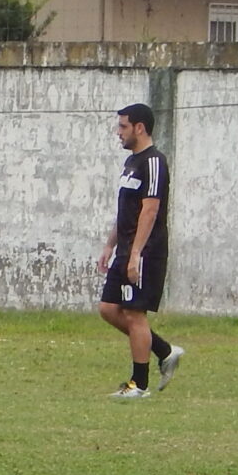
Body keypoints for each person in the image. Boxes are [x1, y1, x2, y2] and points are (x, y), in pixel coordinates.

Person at [99, 102, 183, 399]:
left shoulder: (154, 162)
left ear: (139, 128)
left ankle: (139, 384)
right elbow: (127, 211)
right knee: (108, 309)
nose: (118, 132)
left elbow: (150, 210)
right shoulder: (131, 163)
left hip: (146, 251)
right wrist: (110, 245)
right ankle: (164, 350)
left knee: (135, 314)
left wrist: (136, 254)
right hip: (125, 249)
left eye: (122, 126)